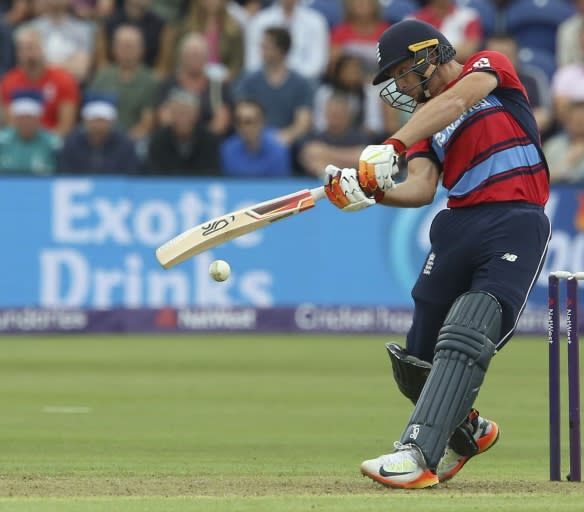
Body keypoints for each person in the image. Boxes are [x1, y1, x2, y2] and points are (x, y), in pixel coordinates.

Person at [322, 19, 550, 489]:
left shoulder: (490, 69)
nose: (402, 86)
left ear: (431, 54)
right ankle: (468, 429)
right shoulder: (426, 126)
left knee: (470, 323)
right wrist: (368, 192)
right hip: (456, 226)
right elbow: (421, 187)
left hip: (514, 219)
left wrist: (393, 144)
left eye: (405, 73)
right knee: (415, 363)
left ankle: (416, 454)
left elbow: (456, 101)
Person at [57, 93, 141, 174]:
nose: (98, 126)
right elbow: (65, 174)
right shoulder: (72, 143)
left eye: (103, 121)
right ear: (85, 121)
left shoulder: (125, 144)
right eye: (94, 120)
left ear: (112, 122)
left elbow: (131, 174)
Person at [220, 98, 291, 176]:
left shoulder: (278, 149)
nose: (243, 127)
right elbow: (229, 184)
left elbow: (280, 185)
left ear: (262, 121)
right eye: (238, 121)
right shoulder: (228, 149)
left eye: (249, 121)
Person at [0, 89, 59, 174]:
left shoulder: (53, 143)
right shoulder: (2, 141)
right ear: (14, 119)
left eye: (30, 117)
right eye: (21, 118)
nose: (25, 122)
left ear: (38, 119)